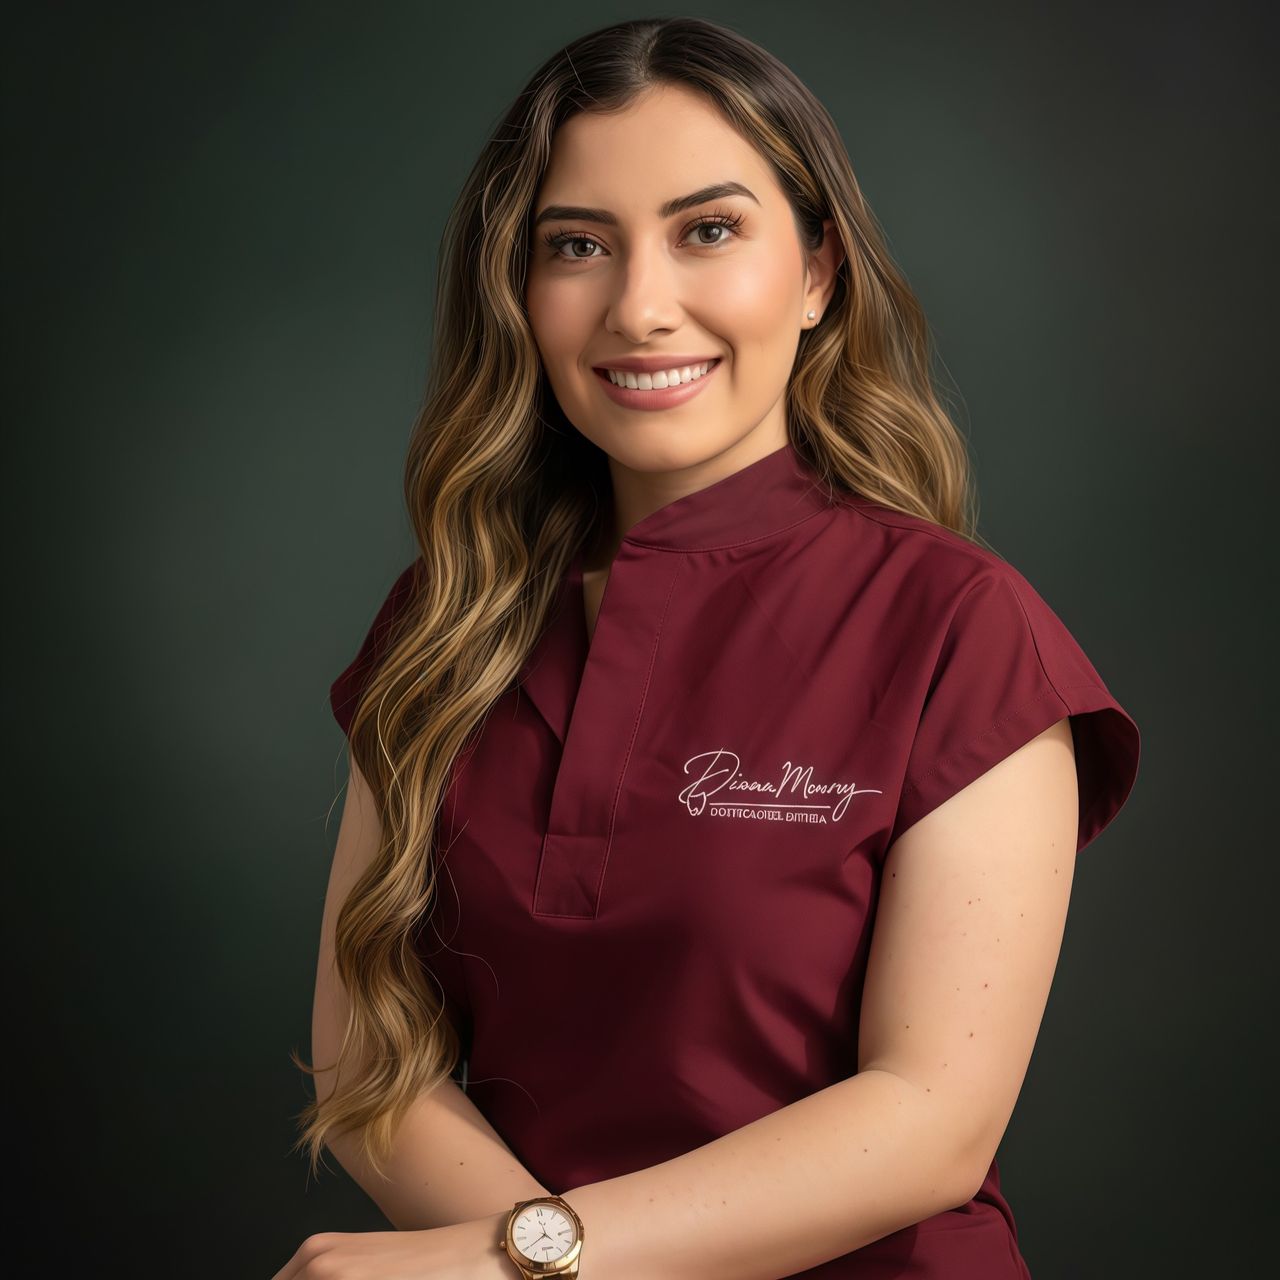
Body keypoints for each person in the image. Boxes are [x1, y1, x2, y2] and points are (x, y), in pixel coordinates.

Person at [278, 16, 1141, 1280]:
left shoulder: (962, 627)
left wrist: (525, 1264)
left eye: (708, 231)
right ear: (519, 291)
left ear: (817, 273)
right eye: (577, 245)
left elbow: (930, 1122)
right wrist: (547, 1267)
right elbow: (368, 1061)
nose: (638, 306)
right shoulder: (443, 621)